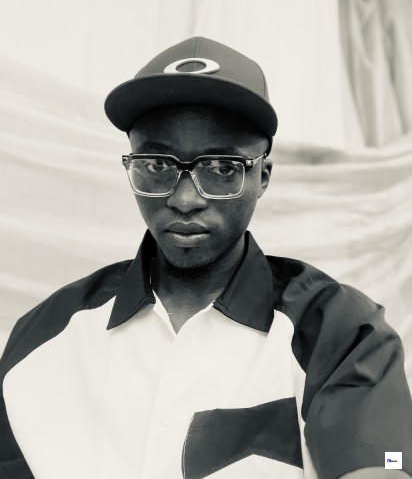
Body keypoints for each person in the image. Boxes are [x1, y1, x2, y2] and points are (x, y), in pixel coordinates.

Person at [0, 37, 411, 479]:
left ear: (263, 177)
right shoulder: (47, 334)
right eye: (156, 166)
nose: (185, 199)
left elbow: (386, 467)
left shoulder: (339, 332)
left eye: (221, 169)